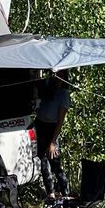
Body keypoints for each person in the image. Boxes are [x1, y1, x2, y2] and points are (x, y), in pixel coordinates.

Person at [35, 69, 71, 200]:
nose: (57, 77)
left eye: (61, 75)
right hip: (40, 125)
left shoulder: (64, 94)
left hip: (52, 129)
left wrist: (53, 142)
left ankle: (65, 194)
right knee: (43, 161)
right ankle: (50, 193)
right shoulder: (47, 87)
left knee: (55, 162)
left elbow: (60, 121)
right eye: (56, 74)